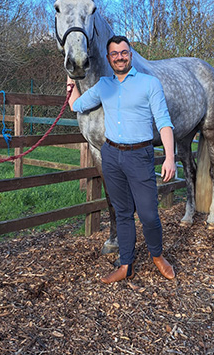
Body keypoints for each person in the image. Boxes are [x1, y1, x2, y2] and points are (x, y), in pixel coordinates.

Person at [67, 35, 176, 283]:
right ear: (108, 58)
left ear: (131, 55)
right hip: (111, 155)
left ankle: (157, 256)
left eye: (124, 52)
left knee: (148, 213)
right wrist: (70, 78)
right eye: (114, 53)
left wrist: (170, 157)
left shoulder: (150, 83)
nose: (119, 57)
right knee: (123, 212)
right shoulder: (104, 85)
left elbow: (164, 122)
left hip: (140, 155)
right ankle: (126, 264)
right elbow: (76, 106)